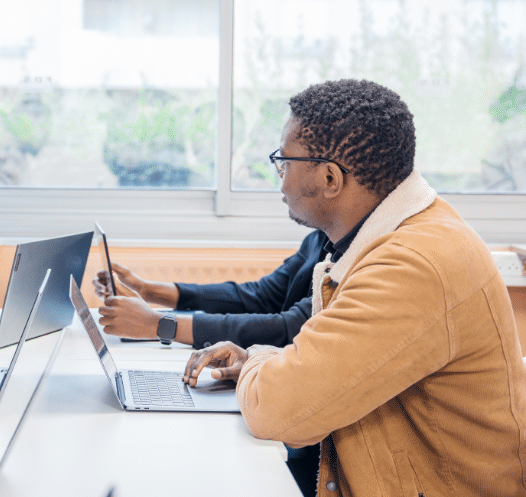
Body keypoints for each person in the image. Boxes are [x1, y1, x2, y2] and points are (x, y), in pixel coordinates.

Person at [183, 79, 526, 496]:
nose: (281, 179)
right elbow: (332, 364)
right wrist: (261, 360)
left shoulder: (411, 264)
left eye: (284, 162)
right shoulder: (397, 237)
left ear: (330, 178)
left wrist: (257, 368)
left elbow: (278, 410)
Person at [94, 232, 325, 349]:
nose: (280, 174)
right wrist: (146, 289)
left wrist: (158, 324)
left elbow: (292, 328)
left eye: (285, 162)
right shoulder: (319, 239)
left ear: (330, 177)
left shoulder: (351, 260)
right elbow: (261, 296)